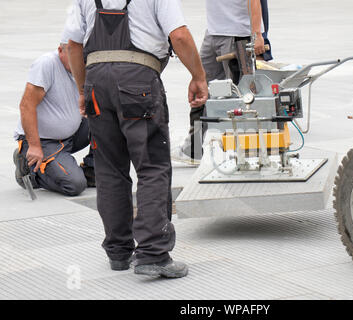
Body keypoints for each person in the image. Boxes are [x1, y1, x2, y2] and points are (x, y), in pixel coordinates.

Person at [64, 0, 208, 278]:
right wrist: (199, 76)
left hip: (96, 81)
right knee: (152, 167)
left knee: (108, 169)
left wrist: (83, 90)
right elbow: (178, 35)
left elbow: (72, 45)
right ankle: (153, 253)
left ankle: (118, 253)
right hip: (137, 80)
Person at [171, 0, 266, 165]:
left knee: (240, 96)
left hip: (238, 34)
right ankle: (193, 149)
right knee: (201, 86)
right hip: (214, 32)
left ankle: (246, 154)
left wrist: (257, 34)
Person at [13, 42, 95, 197]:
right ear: (60, 51)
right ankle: (28, 168)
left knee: (108, 121)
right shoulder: (47, 64)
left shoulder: (85, 67)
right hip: (43, 141)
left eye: (82, 57)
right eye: (74, 56)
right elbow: (26, 106)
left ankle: (92, 171)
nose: (80, 62)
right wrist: (34, 146)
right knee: (75, 184)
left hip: (72, 135)